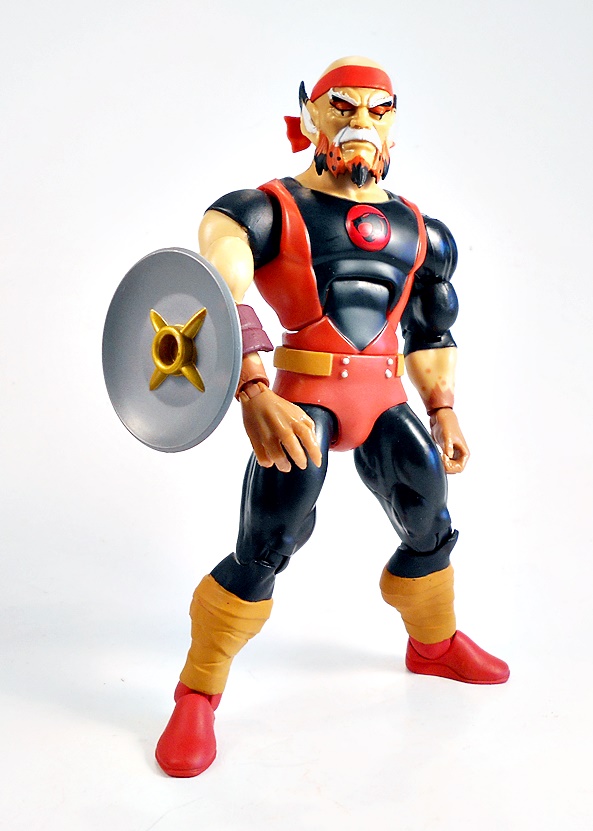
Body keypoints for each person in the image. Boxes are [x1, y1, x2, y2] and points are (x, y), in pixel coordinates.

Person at [155, 56, 509, 778]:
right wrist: (252, 387)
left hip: (384, 399)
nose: (360, 122)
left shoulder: (422, 230)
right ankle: (198, 690)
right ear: (309, 116)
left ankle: (433, 644)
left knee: (429, 518)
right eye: (342, 107)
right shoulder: (264, 210)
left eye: (378, 110)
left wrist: (443, 408)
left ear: (395, 124)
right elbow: (218, 289)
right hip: (300, 398)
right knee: (267, 540)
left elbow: (431, 329)